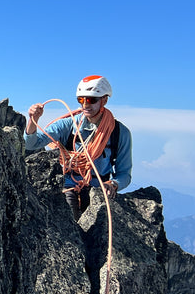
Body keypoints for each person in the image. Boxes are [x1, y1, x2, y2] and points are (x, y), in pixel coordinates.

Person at [25, 75, 132, 221]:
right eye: (81, 100)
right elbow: (32, 144)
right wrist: (33, 120)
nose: (86, 105)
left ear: (104, 100)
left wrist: (113, 184)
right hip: (68, 188)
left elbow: (124, 174)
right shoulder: (68, 125)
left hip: (99, 191)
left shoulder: (119, 133)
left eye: (91, 100)